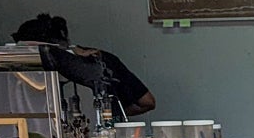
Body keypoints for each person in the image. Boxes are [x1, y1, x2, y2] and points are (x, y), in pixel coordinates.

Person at [11, 13, 156, 116]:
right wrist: (112, 115)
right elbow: (147, 102)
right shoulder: (103, 60)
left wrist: (112, 115)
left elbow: (148, 102)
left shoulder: (17, 72)